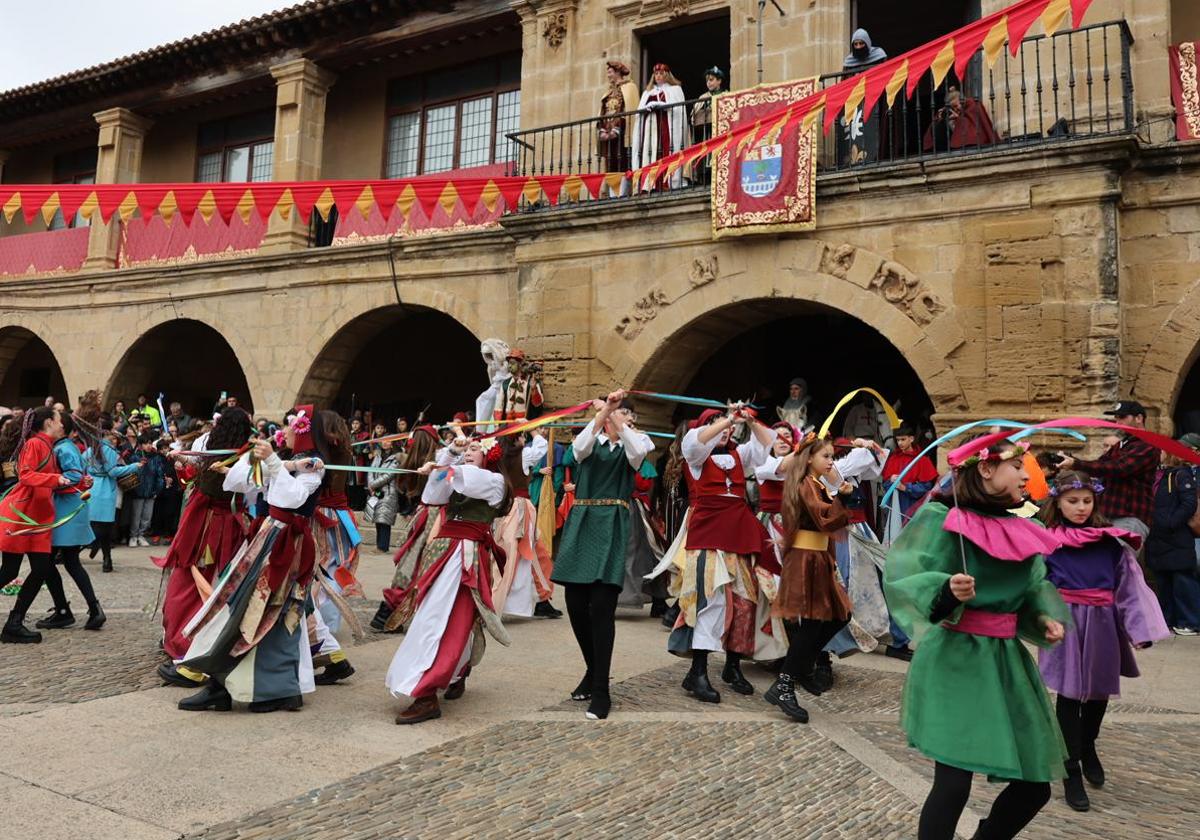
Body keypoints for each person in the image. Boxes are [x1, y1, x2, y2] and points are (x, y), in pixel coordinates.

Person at [884, 437, 1069, 840]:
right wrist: (947, 590)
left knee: (1034, 787)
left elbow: (1033, 586)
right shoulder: (942, 519)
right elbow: (904, 579)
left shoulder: (1025, 525)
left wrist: (1043, 617)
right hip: (955, 660)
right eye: (1018, 465)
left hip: (1006, 665)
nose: (1026, 474)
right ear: (985, 468)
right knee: (952, 785)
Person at [177, 407, 330, 713]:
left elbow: (294, 497)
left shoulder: (315, 465)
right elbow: (246, 483)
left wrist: (274, 461)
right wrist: (248, 466)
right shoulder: (294, 459)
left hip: (287, 543)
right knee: (241, 607)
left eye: (290, 427)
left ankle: (272, 689)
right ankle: (225, 684)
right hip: (269, 536)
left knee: (271, 614)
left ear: (302, 431)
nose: (284, 431)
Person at [1036, 470, 1169, 811]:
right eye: (1072, 501)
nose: (1080, 508)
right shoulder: (1048, 541)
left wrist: (1138, 630)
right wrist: (1044, 617)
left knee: (1097, 692)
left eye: (1086, 501)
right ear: (1058, 502)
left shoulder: (1110, 542)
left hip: (1102, 621)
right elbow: (1037, 585)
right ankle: (1071, 770)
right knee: (1069, 695)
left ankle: (1088, 744)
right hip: (1064, 620)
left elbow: (1128, 588)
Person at [385, 434, 518, 724]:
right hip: (446, 552)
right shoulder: (461, 476)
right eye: (466, 449)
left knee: (441, 617)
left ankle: (428, 691)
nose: (468, 453)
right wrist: (446, 458)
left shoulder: (493, 483)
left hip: (465, 556)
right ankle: (457, 671)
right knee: (443, 615)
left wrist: (445, 465)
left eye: (474, 449)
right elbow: (432, 497)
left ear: (491, 456)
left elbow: (468, 478)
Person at [657, 406, 776, 704]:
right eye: (716, 424)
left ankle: (733, 667)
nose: (725, 430)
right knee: (709, 602)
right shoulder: (696, 456)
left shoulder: (739, 455)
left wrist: (749, 420)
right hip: (709, 533)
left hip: (740, 533)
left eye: (727, 427)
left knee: (745, 602)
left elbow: (765, 444)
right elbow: (696, 440)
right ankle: (698, 671)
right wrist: (727, 419)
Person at [551, 391, 654, 720]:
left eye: (626, 412)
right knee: (575, 604)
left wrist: (619, 422)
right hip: (582, 520)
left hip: (612, 524)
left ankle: (601, 691)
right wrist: (604, 413)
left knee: (602, 606)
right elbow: (578, 450)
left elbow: (638, 458)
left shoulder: (637, 441)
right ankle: (595, 672)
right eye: (616, 411)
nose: (618, 415)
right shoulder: (590, 438)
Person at [155, 407, 254, 689]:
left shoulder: (213, 448)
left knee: (191, 581)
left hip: (204, 523)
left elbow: (202, 480)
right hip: (227, 524)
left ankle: (186, 642)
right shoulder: (247, 456)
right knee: (216, 582)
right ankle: (198, 643)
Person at [762, 434, 853, 722]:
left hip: (817, 558)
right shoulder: (805, 485)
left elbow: (826, 520)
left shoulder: (816, 485)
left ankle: (798, 667)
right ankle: (787, 683)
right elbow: (824, 517)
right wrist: (843, 495)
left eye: (832, 456)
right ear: (810, 458)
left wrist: (838, 493)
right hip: (805, 558)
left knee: (840, 615)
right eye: (826, 456)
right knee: (813, 623)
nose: (831, 461)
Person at [0, 407, 71, 643]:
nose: (63, 425)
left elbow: (50, 481)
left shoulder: (48, 446)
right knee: (10, 571)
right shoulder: (35, 444)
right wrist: (55, 479)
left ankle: (14, 622)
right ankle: (14, 624)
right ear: (49, 422)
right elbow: (26, 476)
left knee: (40, 569)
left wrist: (78, 484)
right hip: (23, 515)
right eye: (60, 420)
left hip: (37, 518)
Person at [36, 409, 105, 632]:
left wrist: (49, 481)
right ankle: (92, 610)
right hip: (69, 509)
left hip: (66, 512)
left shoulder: (63, 448)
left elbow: (74, 476)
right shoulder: (64, 447)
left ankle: (64, 611)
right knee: (70, 562)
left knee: (46, 564)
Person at [1056, 401, 1158, 540]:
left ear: (1139, 418)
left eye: (1122, 417)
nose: (1117, 421)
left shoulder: (1148, 444)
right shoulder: (1122, 444)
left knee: (1121, 560)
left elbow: (1120, 468)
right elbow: (1099, 464)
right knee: (1105, 560)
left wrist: (1077, 463)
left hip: (1129, 516)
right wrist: (1070, 460)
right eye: (1116, 418)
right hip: (1107, 515)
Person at [1145, 436, 1200, 636]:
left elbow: (1188, 504)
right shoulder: (1158, 474)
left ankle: (1190, 621)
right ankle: (1168, 619)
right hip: (1158, 536)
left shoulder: (1181, 475)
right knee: (1164, 580)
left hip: (1175, 536)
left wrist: (1170, 522)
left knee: (1183, 580)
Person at [85, 419, 142, 572]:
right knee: (106, 527)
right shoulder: (108, 449)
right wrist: (133, 467)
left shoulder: (91, 448)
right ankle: (106, 558)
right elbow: (112, 471)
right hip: (105, 488)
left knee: (96, 523)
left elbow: (83, 464)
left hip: (92, 487)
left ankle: (104, 556)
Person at [632, 63, 686, 188]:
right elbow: (639, 112)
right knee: (649, 154)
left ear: (667, 75)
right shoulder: (647, 92)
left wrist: (663, 105)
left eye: (661, 73)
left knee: (665, 152)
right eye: (656, 74)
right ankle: (649, 184)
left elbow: (678, 109)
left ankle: (665, 182)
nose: (658, 76)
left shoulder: (675, 90)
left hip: (666, 126)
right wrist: (646, 108)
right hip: (649, 128)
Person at [882, 423, 939, 537]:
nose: (900, 443)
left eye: (903, 439)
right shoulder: (893, 458)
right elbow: (885, 484)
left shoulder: (922, 460)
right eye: (898, 440)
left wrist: (905, 487)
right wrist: (890, 480)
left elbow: (926, 487)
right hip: (894, 505)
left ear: (911, 439)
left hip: (913, 505)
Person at [924, 84, 1000, 152]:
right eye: (953, 107)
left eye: (956, 105)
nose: (956, 108)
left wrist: (958, 119)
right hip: (956, 146)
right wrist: (941, 119)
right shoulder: (949, 111)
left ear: (962, 100)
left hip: (974, 145)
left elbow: (974, 127)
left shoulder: (973, 104)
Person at [598, 60, 639, 178]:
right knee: (610, 164)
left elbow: (628, 110)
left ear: (617, 72)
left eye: (610, 72)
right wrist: (602, 130)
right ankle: (612, 191)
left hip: (622, 132)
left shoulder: (630, 87)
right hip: (607, 130)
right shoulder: (609, 92)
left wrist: (616, 129)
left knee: (623, 162)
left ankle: (622, 192)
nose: (608, 75)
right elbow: (603, 111)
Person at [128, 432, 167, 547]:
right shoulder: (135, 457)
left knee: (147, 517)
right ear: (140, 445)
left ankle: (141, 535)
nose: (148, 446)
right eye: (145, 444)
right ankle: (133, 536)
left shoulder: (156, 458)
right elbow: (130, 474)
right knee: (136, 516)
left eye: (150, 443)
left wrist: (157, 490)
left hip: (151, 492)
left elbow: (160, 475)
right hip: (137, 491)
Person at [369, 440, 403, 553]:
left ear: (393, 443)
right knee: (378, 518)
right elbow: (370, 470)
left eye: (388, 441)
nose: (384, 443)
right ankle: (379, 545)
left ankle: (383, 547)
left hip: (388, 492)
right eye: (383, 440)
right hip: (376, 492)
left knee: (384, 520)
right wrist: (371, 485)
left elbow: (389, 474)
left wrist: (373, 485)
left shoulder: (396, 457)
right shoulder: (378, 456)